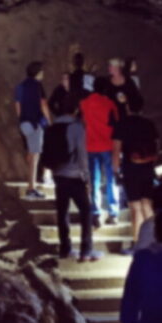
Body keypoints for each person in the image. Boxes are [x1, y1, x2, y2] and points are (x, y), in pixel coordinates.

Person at [44, 95, 99, 262]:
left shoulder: (52, 127)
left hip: (59, 175)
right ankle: (86, 250)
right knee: (86, 211)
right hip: (75, 176)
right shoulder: (76, 127)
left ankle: (65, 249)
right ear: (75, 110)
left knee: (62, 212)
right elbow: (82, 155)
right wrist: (87, 178)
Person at [112, 94, 159, 244]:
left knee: (135, 206)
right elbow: (157, 146)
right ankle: (153, 239)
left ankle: (139, 242)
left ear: (127, 107)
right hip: (147, 167)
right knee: (147, 203)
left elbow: (116, 150)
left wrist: (115, 170)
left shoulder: (122, 124)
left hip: (130, 168)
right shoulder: (149, 124)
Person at [82, 77, 120, 229]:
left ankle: (96, 213)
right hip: (108, 145)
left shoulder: (84, 103)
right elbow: (116, 122)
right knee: (111, 179)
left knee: (94, 181)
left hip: (91, 145)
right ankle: (113, 213)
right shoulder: (110, 103)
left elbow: (83, 121)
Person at [15, 62, 53, 199]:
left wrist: (21, 121)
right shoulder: (38, 86)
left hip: (24, 123)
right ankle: (31, 188)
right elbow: (43, 105)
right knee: (35, 157)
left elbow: (18, 107)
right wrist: (49, 121)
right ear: (38, 73)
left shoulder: (20, 86)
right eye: (42, 71)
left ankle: (31, 185)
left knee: (31, 154)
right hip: (35, 123)